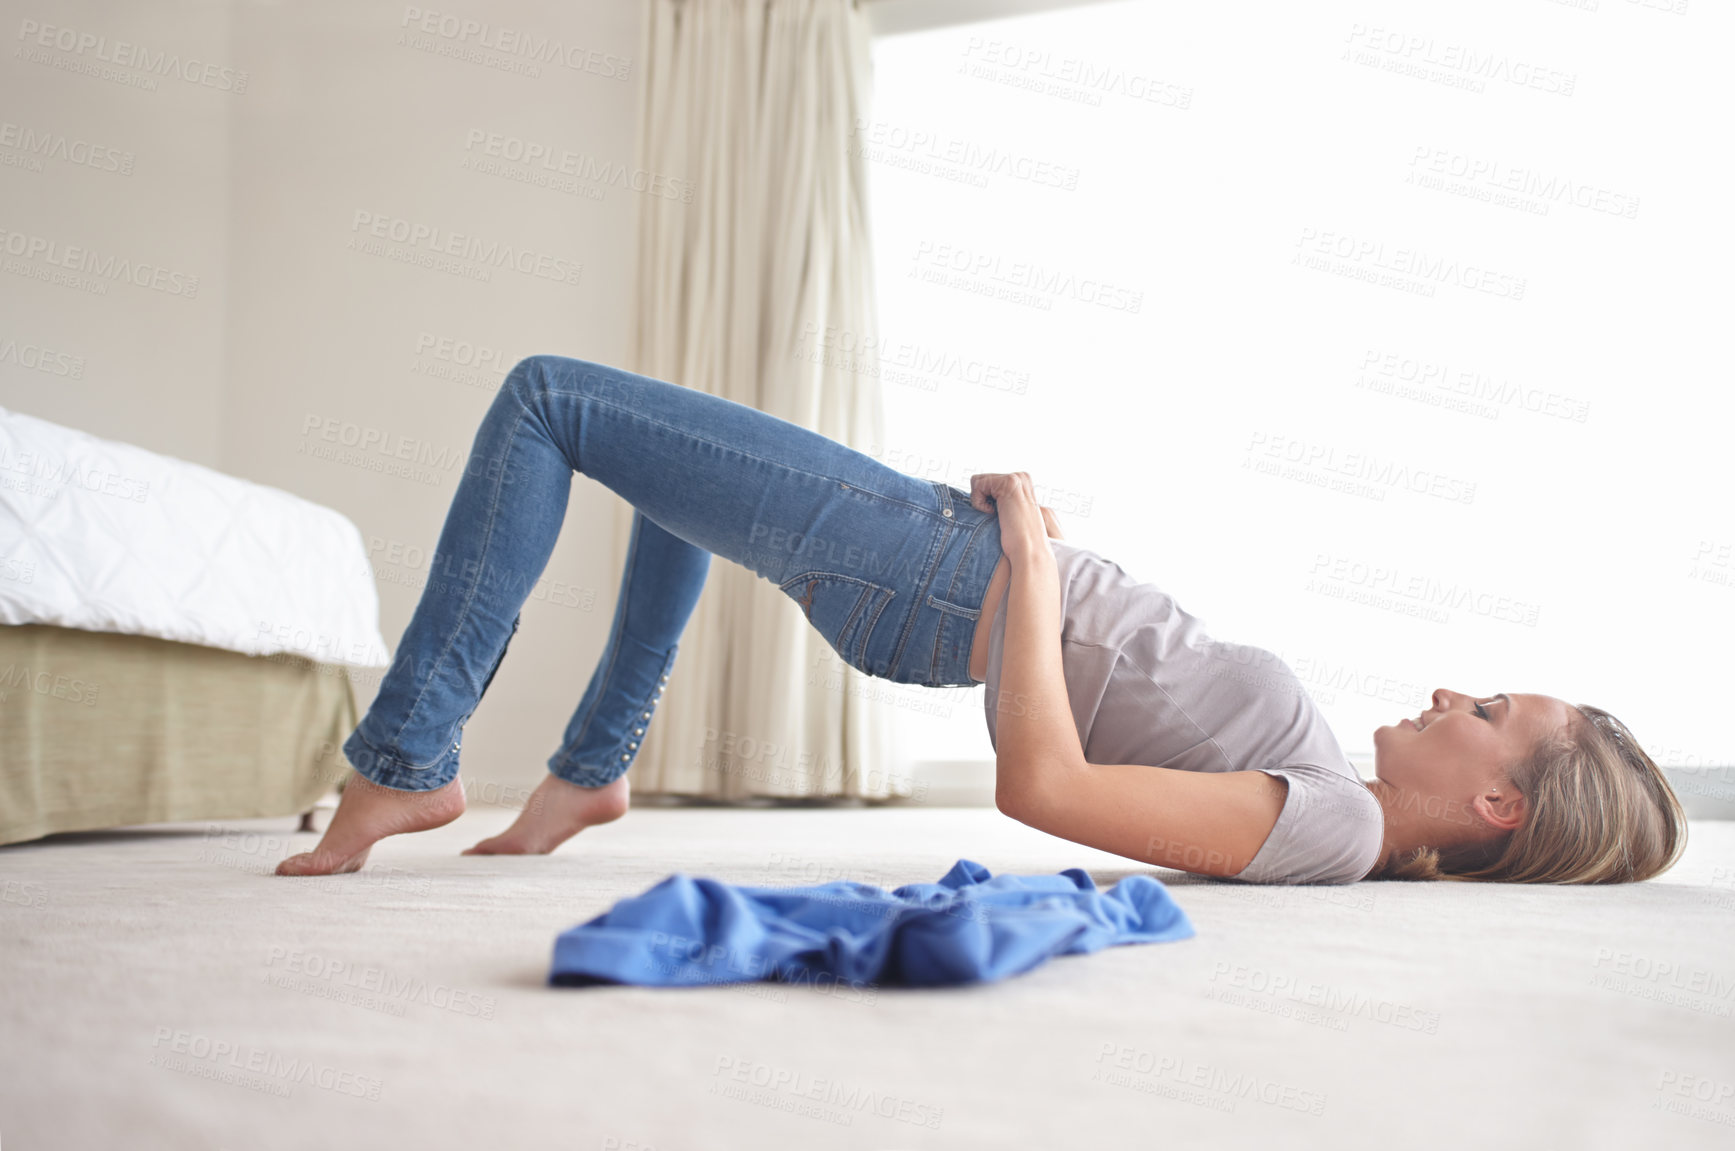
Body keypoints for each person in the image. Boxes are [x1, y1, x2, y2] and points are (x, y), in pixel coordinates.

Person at [277, 355, 1687, 885]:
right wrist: (1039, 569)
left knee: (551, 401)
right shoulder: (1344, 808)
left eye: (1490, 712)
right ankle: (592, 771)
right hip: (956, 578)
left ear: (1501, 806)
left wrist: (1024, 546)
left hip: (943, 577)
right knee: (655, 470)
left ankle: (406, 761)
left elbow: (1046, 785)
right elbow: (1112, 701)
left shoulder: (1337, 828)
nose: (1456, 692)